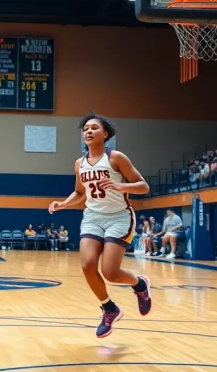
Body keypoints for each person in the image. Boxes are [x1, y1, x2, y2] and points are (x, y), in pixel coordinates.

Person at [49, 112, 152, 338]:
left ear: (105, 134)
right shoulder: (80, 163)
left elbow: (144, 186)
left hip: (119, 217)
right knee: (87, 265)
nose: (88, 131)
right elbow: (79, 192)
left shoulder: (116, 158)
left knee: (110, 273)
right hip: (93, 217)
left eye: (94, 128)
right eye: (86, 128)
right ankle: (109, 308)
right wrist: (64, 204)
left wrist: (121, 187)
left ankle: (139, 285)